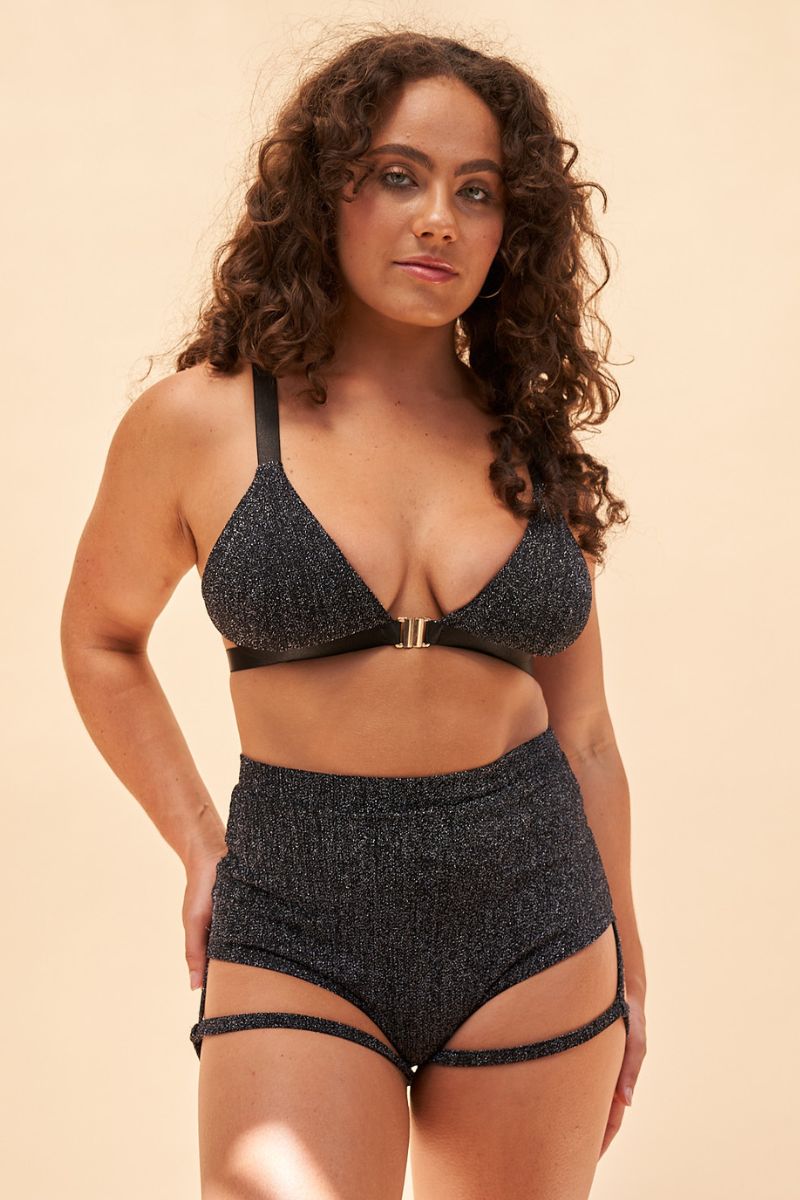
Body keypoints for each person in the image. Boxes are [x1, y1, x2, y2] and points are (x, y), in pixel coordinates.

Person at [61, 28, 646, 1200]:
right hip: (295, 918)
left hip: (537, 917)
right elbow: (100, 640)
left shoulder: (527, 441)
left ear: (511, 227)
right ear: (323, 191)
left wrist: (627, 958)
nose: (438, 219)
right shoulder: (202, 422)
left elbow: (582, 732)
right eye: (397, 175)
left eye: (475, 191)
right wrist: (199, 846)